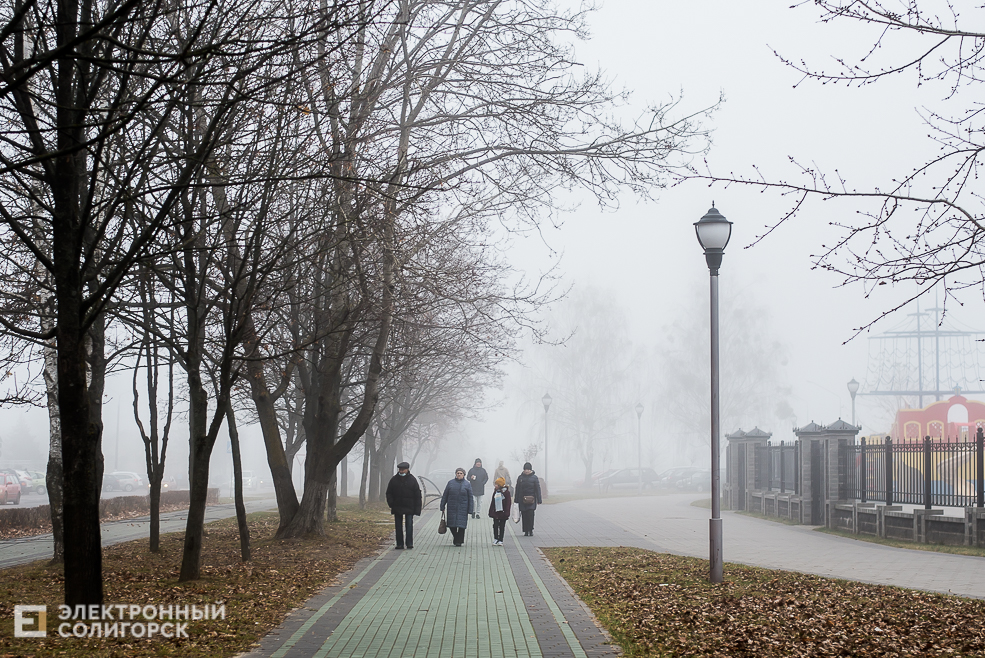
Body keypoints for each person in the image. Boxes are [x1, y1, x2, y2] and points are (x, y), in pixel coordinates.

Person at [385, 461, 422, 549]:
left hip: (409, 506)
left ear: (407, 470)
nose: (401, 471)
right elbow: (389, 492)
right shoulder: (394, 479)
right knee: (398, 526)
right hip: (397, 506)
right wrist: (391, 503)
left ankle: (409, 543)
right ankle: (399, 544)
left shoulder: (412, 480)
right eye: (400, 470)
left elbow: (417, 495)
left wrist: (417, 508)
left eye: (403, 470)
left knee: (409, 525)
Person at [440, 467, 474, 547]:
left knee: (462, 526)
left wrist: (470, 509)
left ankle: (458, 541)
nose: (459, 474)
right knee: (452, 525)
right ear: (455, 474)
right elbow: (445, 495)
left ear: (464, 475)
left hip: (463, 508)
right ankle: (457, 538)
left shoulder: (467, 484)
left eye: (461, 473)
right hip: (452, 507)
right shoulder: (450, 483)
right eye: (458, 473)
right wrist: (442, 505)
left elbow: (470, 497)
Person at [514, 462, 542, 537]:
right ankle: (525, 530)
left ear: (530, 469)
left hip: (531, 500)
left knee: (530, 515)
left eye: (528, 469)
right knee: (524, 515)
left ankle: (530, 530)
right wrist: (516, 499)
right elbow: (517, 489)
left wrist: (539, 499)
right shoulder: (520, 478)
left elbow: (537, 489)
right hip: (522, 500)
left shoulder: (534, 478)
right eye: (525, 469)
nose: (527, 471)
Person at [487, 477, 512, 546]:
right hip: (496, 512)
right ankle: (496, 538)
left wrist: (507, 512)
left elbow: (508, 503)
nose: (495, 486)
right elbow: (492, 502)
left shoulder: (506, 493)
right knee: (495, 525)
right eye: (495, 484)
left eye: (497, 485)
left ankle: (500, 539)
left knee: (502, 526)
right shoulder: (495, 492)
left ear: (500, 485)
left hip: (503, 513)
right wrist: (490, 511)